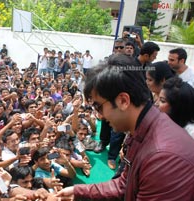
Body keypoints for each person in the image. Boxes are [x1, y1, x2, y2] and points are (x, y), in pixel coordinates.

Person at [55, 54, 194, 200]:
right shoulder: (142, 130)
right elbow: (124, 185)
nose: (99, 116)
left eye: (98, 106)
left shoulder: (163, 157)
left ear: (123, 100)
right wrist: (79, 192)